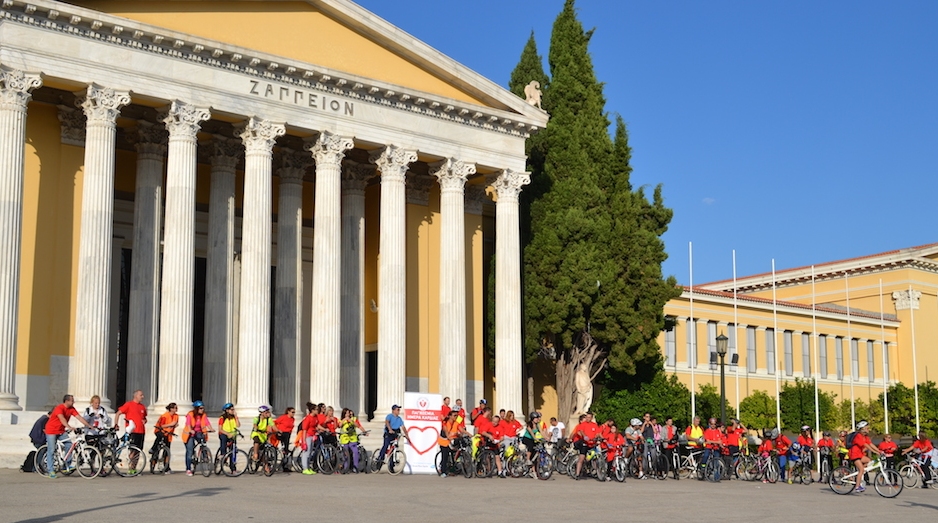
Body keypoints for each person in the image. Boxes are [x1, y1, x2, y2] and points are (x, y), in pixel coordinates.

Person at [44, 394, 93, 478]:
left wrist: (88, 425)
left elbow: (79, 417)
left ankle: (66, 465)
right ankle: (51, 470)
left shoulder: (71, 409)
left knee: (69, 445)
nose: (73, 402)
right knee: (51, 450)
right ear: (67, 401)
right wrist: (69, 427)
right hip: (51, 430)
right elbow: (62, 419)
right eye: (72, 400)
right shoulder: (59, 408)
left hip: (61, 431)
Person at [113, 389, 148, 459]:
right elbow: (118, 413)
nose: (142, 397)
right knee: (132, 450)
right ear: (135, 396)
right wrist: (116, 424)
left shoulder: (143, 407)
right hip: (132, 431)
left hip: (141, 431)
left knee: (139, 450)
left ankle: (134, 469)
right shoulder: (129, 404)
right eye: (141, 395)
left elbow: (144, 418)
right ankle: (130, 467)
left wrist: (145, 420)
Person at [182, 400, 214, 476]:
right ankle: (188, 469)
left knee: (203, 441)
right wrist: (190, 430)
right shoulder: (190, 414)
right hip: (189, 434)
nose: (202, 410)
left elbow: (207, 423)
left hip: (199, 432)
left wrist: (211, 428)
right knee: (189, 451)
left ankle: (204, 455)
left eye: (203, 408)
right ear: (196, 408)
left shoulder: (203, 415)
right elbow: (188, 423)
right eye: (201, 408)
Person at [849, 420, 881, 493]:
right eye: (866, 428)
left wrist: (879, 451)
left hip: (860, 454)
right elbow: (865, 445)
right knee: (861, 470)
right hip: (854, 454)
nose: (868, 429)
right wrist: (874, 451)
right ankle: (857, 486)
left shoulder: (865, 437)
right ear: (862, 429)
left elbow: (870, 444)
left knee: (869, 461)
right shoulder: (858, 436)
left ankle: (860, 473)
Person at [151, 403, 178, 474]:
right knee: (157, 447)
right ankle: (153, 456)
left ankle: (166, 467)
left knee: (167, 451)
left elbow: (175, 423)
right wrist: (171, 424)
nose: (176, 409)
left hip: (168, 434)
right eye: (175, 408)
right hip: (160, 431)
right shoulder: (164, 416)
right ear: (171, 409)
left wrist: (173, 425)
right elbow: (161, 425)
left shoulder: (176, 416)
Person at [572, 412, 599, 480]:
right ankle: (577, 474)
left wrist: (597, 438)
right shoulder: (583, 424)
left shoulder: (594, 425)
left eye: (589, 417)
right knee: (581, 458)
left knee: (594, 456)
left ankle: (596, 471)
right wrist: (584, 436)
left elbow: (597, 433)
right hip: (585, 443)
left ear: (591, 418)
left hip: (592, 443)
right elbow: (580, 431)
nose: (587, 418)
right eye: (587, 417)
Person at [339, 408, 368, 472]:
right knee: (346, 453)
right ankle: (346, 467)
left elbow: (358, 425)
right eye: (346, 413)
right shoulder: (341, 420)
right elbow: (339, 425)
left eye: (348, 413)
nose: (347, 414)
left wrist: (364, 431)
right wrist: (344, 420)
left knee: (355, 452)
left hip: (352, 438)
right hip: (345, 438)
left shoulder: (353, 419)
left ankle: (355, 467)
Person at [217, 403, 240, 473]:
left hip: (232, 435)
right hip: (224, 433)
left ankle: (233, 468)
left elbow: (238, 425)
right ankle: (223, 454)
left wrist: (236, 417)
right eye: (231, 410)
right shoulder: (222, 418)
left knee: (233, 451)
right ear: (227, 410)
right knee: (223, 440)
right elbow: (220, 429)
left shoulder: (234, 417)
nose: (233, 411)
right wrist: (227, 433)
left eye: (233, 409)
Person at [437, 410, 460, 477]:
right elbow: (447, 434)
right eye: (454, 415)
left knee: (454, 453)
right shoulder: (445, 424)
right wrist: (451, 438)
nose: (456, 417)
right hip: (444, 442)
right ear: (450, 416)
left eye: (457, 415)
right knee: (445, 456)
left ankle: (452, 469)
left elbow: (460, 430)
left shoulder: (455, 423)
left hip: (450, 442)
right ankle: (443, 471)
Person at [300, 403, 320, 475]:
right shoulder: (308, 418)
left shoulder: (315, 417)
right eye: (317, 409)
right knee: (306, 453)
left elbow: (317, 426)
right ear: (312, 410)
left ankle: (308, 467)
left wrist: (323, 429)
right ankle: (305, 468)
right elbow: (304, 430)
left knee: (310, 452)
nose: (318, 411)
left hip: (313, 435)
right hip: (307, 436)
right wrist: (304, 441)